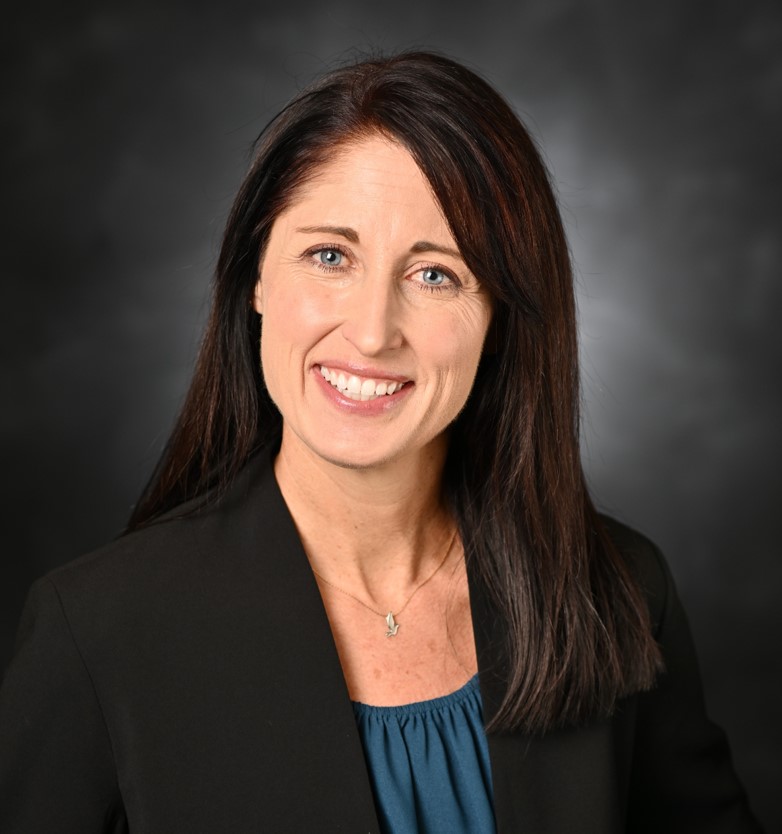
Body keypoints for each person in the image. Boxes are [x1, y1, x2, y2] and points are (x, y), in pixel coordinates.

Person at [0, 51, 763, 834]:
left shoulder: (622, 593)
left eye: (434, 274)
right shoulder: (96, 632)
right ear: (255, 276)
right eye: (330, 256)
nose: (371, 331)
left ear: (501, 314)